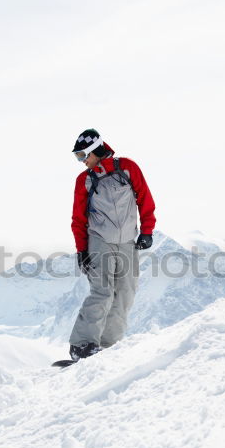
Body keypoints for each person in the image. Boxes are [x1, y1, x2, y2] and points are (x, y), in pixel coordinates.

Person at [68, 128, 156, 361]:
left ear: (95, 150)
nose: (82, 161)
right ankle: (82, 345)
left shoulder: (127, 168)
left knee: (125, 293)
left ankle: (108, 347)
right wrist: (82, 250)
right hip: (99, 241)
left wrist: (147, 230)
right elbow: (78, 219)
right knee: (102, 292)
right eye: (78, 157)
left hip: (127, 241)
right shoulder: (84, 180)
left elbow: (145, 197)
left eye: (82, 155)